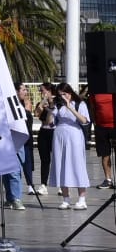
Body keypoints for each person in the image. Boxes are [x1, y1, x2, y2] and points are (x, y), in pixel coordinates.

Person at [47, 82, 91, 210]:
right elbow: (50, 123)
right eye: (60, 94)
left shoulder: (80, 104)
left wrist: (70, 107)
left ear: (70, 92)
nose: (62, 96)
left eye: (64, 93)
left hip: (74, 135)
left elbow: (84, 121)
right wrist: (51, 108)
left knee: (77, 165)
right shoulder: (58, 105)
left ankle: (82, 199)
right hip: (60, 135)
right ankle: (65, 199)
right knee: (61, 166)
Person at [89, 83, 115, 189]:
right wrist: (95, 122)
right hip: (101, 127)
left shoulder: (113, 90)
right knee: (105, 154)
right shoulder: (95, 92)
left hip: (114, 126)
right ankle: (108, 180)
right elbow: (92, 108)